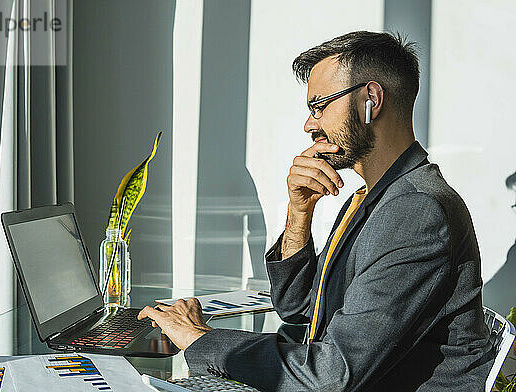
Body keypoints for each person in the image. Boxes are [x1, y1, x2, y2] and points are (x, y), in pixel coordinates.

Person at [138, 31, 494, 391]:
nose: (309, 124)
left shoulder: (415, 212)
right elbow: (300, 310)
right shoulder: (374, 197)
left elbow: (330, 376)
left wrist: (201, 340)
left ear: (371, 99)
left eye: (320, 105)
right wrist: (299, 212)